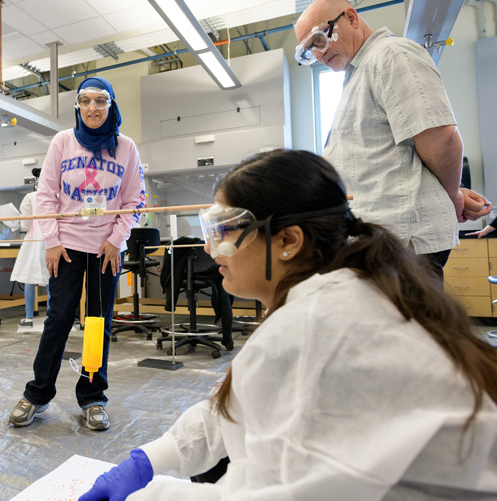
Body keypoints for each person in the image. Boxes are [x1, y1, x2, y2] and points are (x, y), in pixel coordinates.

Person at [79, 150, 497, 501]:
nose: (211, 247)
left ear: (288, 241)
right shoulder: (351, 289)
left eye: (225, 229)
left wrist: (145, 495)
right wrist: (149, 460)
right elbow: (235, 405)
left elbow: (265, 494)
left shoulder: (313, 326)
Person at [294, 0, 492, 280]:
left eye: (319, 40)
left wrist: (453, 196)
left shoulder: (392, 55)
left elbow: (441, 138)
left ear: (350, 17)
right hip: (382, 241)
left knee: (406, 322)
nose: (318, 54)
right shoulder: (359, 74)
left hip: (403, 243)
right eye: (308, 51)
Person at [8, 76, 145, 431]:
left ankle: (92, 396)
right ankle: (38, 393)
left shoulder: (126, 147)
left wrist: (117, 239)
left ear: (111, 105)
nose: (92, 108)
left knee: (98, 324)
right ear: (78, 106)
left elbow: (134, 201)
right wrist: (51, 241)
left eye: (101, 101)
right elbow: (46, 195)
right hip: (65, 247)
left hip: (106, 249)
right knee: (58, 320)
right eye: (85, 101)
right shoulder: (62, 142)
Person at [10, 167, 50, 326]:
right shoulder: (56, 196)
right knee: (50, 280)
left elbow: (25, 225)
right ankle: (50, 318)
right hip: (51, 241)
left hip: (33, 243)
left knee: (29, 279)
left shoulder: (30, 197)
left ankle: (28, 318)